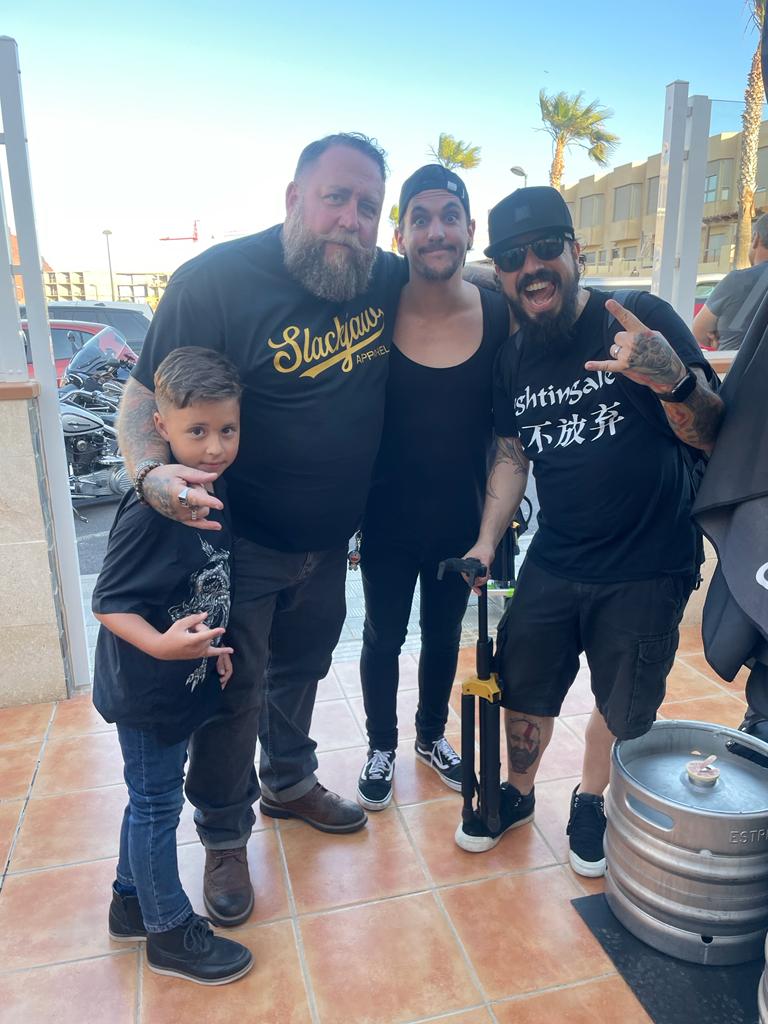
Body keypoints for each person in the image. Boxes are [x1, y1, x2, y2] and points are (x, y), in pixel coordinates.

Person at [117, 133, 406, 928]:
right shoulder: (214, 282)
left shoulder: (382, 279)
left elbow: (462, 285)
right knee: (231, 694)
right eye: (336, 197)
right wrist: (151, 477)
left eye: (368, 207)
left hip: (329, 545)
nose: (351, 218)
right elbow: (142, 400)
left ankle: (287, 781)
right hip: (236, 545)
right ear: (293, 199)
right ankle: (222, 835)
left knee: (303, 669)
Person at [455, 186, 723, 876]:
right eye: (514, 257)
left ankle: (590, 800)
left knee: (620, 697)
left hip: (647, 560)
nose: (532, 266)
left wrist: (668, 379)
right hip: (557, 554)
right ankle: (516, 795)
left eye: (547, 248)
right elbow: (512, 456)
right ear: (502, 272)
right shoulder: (516, 358)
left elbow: (713, 427)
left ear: (575, 251)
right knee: (525, 681)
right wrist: (487, 540)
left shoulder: (639, 319)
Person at [93, 347, 253, 985]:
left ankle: (131, 901)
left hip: (181, 679)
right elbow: (109, 603)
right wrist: (163, 647)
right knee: (157, 805)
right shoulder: (151, 508)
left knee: (149, 800)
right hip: (146, 690)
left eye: (227, 430)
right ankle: (168, 933)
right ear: (160, 427)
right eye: (197, 431)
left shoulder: (209, 491)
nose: (214, 447)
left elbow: (203, 581)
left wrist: (211, 647)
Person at [355, 165, 509, 811]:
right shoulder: (373, 310)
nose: (436, 229)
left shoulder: (499, 315)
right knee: (383, 637)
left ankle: (427, 738)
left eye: (450, 215)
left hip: (461, 525)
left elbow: (510, 435)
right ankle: (381, 744)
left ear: (470, 229)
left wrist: (488, 536)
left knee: (444, 640)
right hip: (387, 522)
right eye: (420, 217)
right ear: (401, 233)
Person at [692, 214, 768, 351]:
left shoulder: (738, 280)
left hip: (735, 368)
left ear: (756, 239)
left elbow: (700, 330)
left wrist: (721, 337)